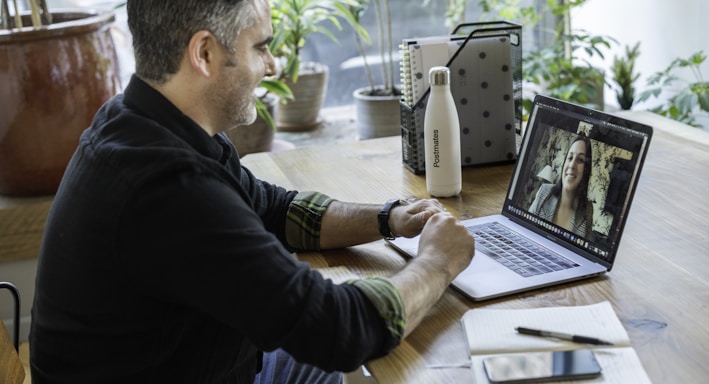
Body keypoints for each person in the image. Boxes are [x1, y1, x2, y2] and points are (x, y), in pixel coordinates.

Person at [28, 1, 476, 383]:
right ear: (204, 52)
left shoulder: (146, 122)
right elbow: (341, 330)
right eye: (260, 46)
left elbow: (275, 210)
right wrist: (439, 260)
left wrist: (389, 217)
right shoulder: (169, 189)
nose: (273, 65)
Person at [529, 134, 593, 238]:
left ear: (586, 170)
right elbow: (526, 228)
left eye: (580, 160)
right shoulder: (544, 191)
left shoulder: (588, 209)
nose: (572, 165)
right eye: (570, 158)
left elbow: (584, 248)